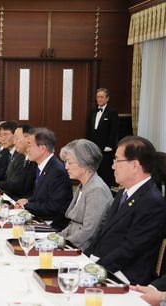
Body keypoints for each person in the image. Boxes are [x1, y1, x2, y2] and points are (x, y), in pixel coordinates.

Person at [84, 136, 166, 285]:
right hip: (105, 264)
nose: (112, 166)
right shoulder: (123, 193)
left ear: (135, 165)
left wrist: (95, 269)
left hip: (125, 275)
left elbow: (131, 249)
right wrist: (84, 258)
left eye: (117, 160)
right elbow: (103, 232)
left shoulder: (153, 201)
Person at [58, 139, 113, 251]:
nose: (66, 167)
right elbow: (73, 225)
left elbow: (89, 231)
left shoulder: (97, 189)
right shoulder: (83, 185)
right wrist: (56, 238)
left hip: (83, 250)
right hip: (73, 244)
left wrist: (61, 245)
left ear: (85, 163)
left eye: (69, 162)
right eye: (65, 162)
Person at [14, 128, 73, 231]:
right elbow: (42, 196)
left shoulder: (57, 171)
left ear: (42, 148)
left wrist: (27, 205)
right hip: (41, 219)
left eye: (29, 145)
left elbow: (55, 207)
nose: (27, 149)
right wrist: (28, 200)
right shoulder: (43, 166)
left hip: (52, 225)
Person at [0, 124, 35, 200]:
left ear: (29, 140)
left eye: (16, 138)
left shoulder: (25, 158)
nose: (15, 142)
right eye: (0, 135)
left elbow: (19, 186)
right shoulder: (17, 155)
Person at [86, 88, 119, 187]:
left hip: (106, 148)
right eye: (98, 97)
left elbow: (114, 130)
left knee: (105, 171)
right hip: (93, 147)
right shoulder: (92, 111)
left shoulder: (112, 112)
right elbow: (89, 130)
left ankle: (106, 191)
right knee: (94, 169)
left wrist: (110, 145)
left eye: (102, 97)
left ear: (107, 98)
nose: (99, 99)